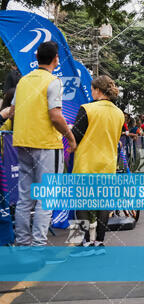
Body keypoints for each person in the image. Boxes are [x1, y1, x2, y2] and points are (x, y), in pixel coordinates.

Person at [11, 41, 77, 249]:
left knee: (25, 198)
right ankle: (38, 247)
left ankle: (22, 243)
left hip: (22, 142)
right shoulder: (53, 81)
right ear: (56, 59)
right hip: (47, 144)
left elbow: (11, 111)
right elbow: (55, 116)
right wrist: (70, 136)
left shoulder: (23, 81)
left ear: (37, 58)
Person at [70, 76, 124, 256]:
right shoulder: (119, 113)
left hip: (86, 163)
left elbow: (75, 137)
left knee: (82, 203)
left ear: (98, 91)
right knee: (103, 204)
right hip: (108, 165)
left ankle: (83, 243)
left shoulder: (87, 109)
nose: (91, 93)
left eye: (92, 89)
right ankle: (99, 242)